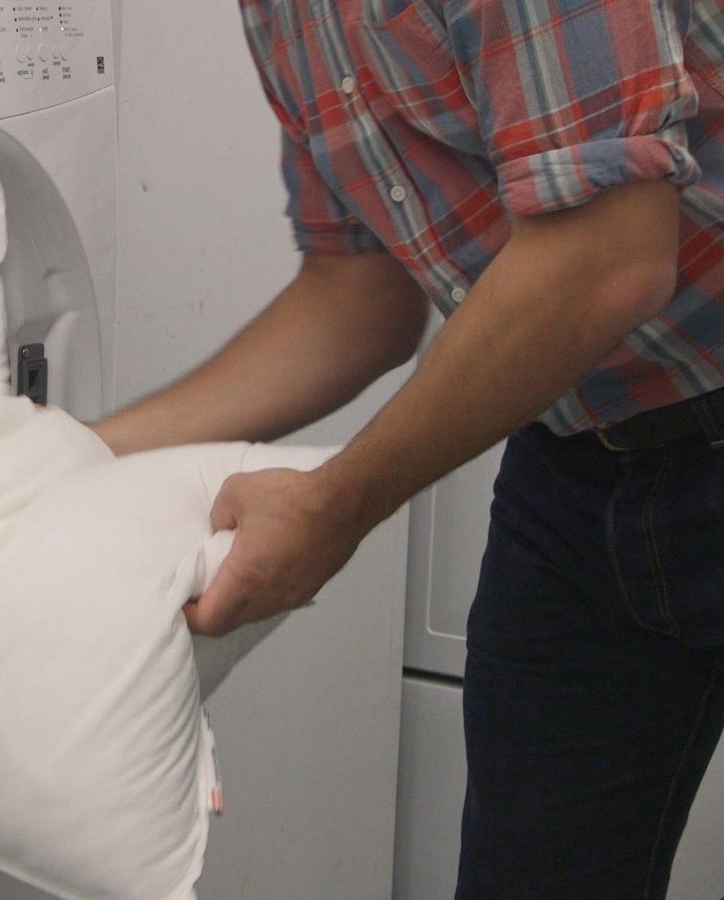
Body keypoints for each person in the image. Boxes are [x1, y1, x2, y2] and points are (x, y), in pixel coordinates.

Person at [92, 1, 724, 896]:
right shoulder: (282, 17)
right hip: (581, 463)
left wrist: (334, 506)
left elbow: (608, 259)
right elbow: (357, 303)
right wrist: (71, 454)